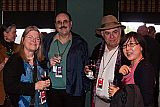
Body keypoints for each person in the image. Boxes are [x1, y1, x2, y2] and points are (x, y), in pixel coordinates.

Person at [42, 11, 90, 107]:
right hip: (52, 91)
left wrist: (84, 86)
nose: (62, 25)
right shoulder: (46, 41)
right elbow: (39, 62)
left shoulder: (80, 43)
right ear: (55, 25)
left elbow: (87, 66)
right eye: (59, 22)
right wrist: (48, 64)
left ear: (70, 24)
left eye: (65, 21)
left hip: (74, 91)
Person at [85, 15, 129, 107]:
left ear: (120, 32)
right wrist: (87, 72)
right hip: (98, 100)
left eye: (115, 32)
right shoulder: (97, 49)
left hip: (118, 102)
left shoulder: (127, 51)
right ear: (102, 34)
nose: (112, 36)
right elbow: (92, 72)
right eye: (107, 33)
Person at [3, 26, 50, 107]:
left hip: (41, 103)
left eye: (37, 38)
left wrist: (47, 83)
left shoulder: (41, 60)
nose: (34, 40)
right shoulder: (15, 60)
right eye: (30, 37)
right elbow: (10, 86)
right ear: (23, 40)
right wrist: (34, 86)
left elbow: (44, 78)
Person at [109, 32, 155, 107]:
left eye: (131, 44)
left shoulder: (145, 68)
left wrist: (118, 93)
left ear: (141, 47)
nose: (127, 49)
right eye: (124, 46)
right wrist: (119, 74)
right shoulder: (127, 67)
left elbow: (146, 100)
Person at [137, 25, 160, 107]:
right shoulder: (155, 43)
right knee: (153, 96)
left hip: (142, 73)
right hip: (155, 72)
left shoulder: (139, 44)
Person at [0, 24, 19, 106]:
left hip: (17, 90)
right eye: (14, 32)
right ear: (5, 34)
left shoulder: (18, 48)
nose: (16, 35)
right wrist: (3, 64)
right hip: (2, 92)